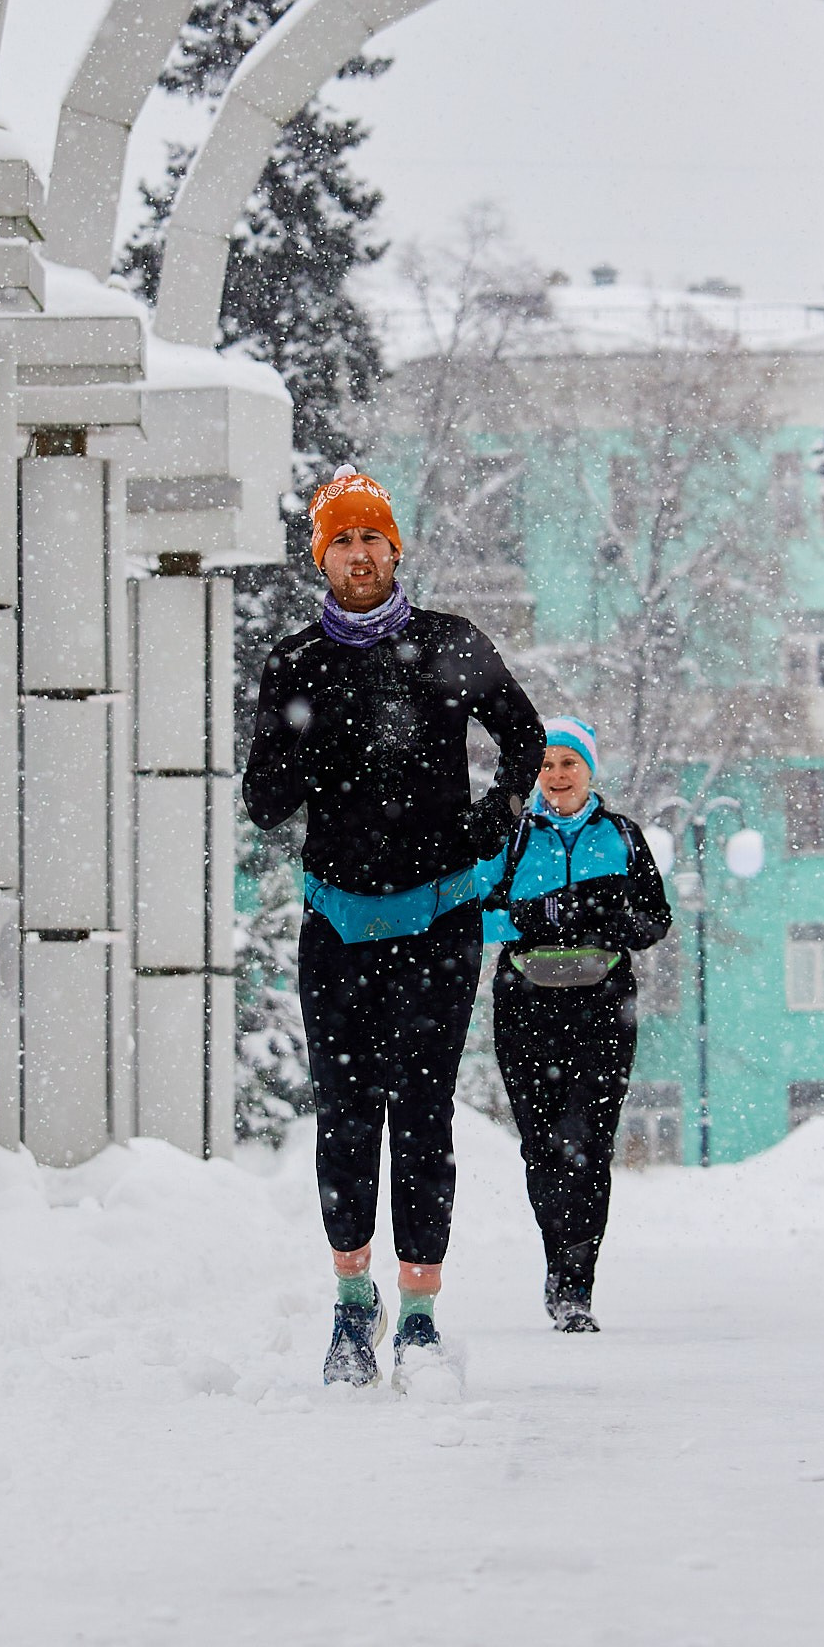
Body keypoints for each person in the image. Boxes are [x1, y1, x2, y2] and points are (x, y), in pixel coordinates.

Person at [243, 466, 544, 1390]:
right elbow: (262, 802)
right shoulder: (296, 664)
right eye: (342, 540)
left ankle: (418, 1313)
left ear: (395, 549)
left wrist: (497, 820)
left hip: (441, 922)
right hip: (337, 925)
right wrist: (313, 746)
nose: (359, 554)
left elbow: (524, 738)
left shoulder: (451, 644)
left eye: (372, 538)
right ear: (320, 556)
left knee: (420, 1114)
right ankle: (349, 1303)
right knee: (344, 1115)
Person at [482, 717, 672, 1332]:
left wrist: (610, 921)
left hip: (603, 1006)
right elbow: (476, 919)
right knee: (542, 1146)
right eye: (547, 764)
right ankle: (554, 1257)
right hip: (526, 1005)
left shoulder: (621, 835)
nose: (558, 775)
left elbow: (655, 919)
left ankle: (576, 1288)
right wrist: (540, 916)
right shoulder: (509, 835)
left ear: (590, 770)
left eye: (570, 763)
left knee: (588, 1146)